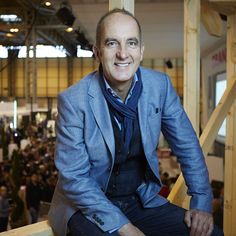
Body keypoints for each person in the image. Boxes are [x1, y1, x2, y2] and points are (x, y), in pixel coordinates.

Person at [48, 8, 223, 236]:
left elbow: (187, 146)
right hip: (87, 205)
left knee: (212, 233)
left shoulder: (159, 86)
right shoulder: (73, 101)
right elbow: (74, 178)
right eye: (112, 43)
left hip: (139, 199)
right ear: (97, 52)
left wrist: (201, 203)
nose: (123, 54)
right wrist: (123, 226)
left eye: (131, 43)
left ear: (141, 51)